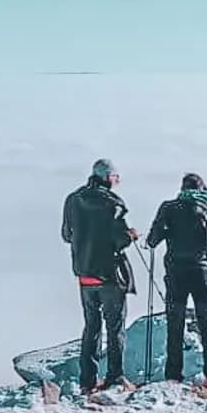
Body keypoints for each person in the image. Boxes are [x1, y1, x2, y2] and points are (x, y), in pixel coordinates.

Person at [146, 171, 207, 392]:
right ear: (202, 189)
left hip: (176, 273)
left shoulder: (169, 208)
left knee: (175, 324)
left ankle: (174, 376)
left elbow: (152, 240)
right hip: (202, 274)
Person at [60, 158, 138, 393]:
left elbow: (66, 234)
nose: (117, 181)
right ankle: (115, 377)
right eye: (115, 177)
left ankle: (88, 381)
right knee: (115, 328)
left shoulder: (73, 200)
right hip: (109, 275)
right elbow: (118, 240)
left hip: (84, 275)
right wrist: (131, 235)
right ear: (108, 177)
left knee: (91, 327)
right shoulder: (111, 204)